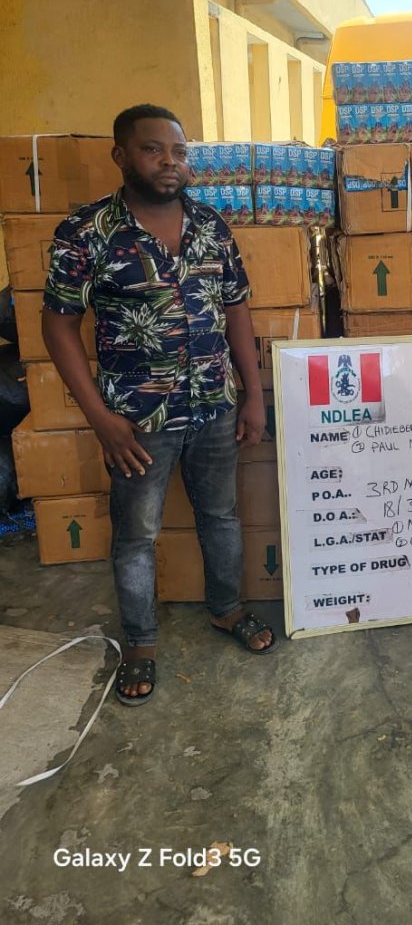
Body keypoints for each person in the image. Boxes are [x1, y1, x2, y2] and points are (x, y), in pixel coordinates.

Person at [42, 104, 277, 706]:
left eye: (178, 151)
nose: (170, 162)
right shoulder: (86, 232)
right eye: (153, 150)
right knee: (136, 536)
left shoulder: (211, 225)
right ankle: (141, 642)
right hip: (136, 420)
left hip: (214, 407)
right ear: (121, 156)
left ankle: (227, 609)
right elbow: (58, 326)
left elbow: (236, 310)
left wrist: (253, 395)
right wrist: (101, 420)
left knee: (221, 517)